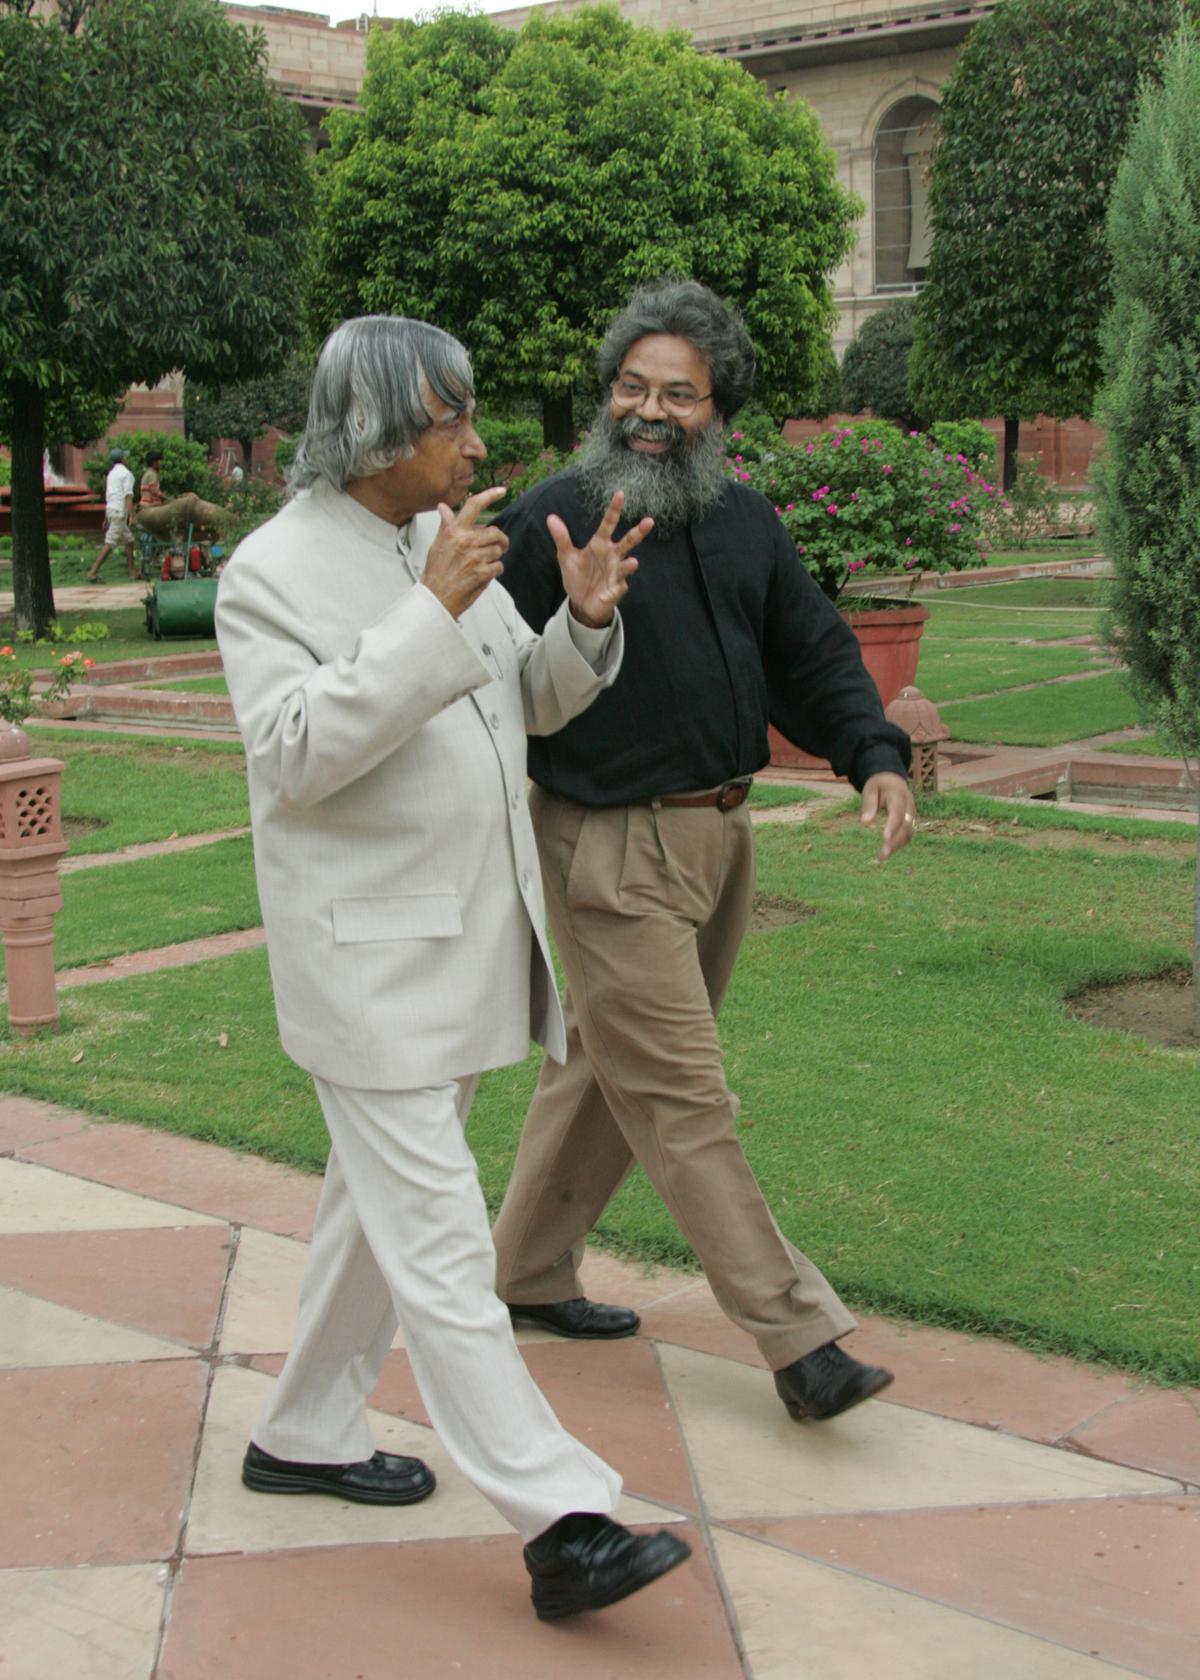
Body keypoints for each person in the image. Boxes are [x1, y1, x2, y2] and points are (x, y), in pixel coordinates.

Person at [214, 314, 690, 1622]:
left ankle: (305, 1431)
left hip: (464, 948)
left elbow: (512, 705)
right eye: (449, 421)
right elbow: (300, 752)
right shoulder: (273, 573)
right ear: (374, 429)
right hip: (366, 972)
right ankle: (563, 1520)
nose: (475, 445)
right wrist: (427, 617)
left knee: (377, 1220)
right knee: (439, 1247)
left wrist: (581, 627)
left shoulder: (437, 543)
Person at [490, 278, 916, 1426]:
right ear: (607, 393)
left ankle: (524, 1272)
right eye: (632, 385)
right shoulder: (551, 522)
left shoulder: (743, 520)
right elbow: (482, 687)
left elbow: (815, 652)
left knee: (602, 1065)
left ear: (716, 407)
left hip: (722, 836)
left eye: (678, 392)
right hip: (606, 847)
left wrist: (874, 753)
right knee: (683, 1096)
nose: (650, 409)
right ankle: (800, 1339)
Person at [87, 447, 136, 581]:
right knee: (110, 543)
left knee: (129, 541)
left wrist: (106, 517)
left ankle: (133, 572)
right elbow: (128, 496)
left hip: (111, 510)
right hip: (120, 513)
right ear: (122, 459)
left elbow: (109, 496)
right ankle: (93, 571)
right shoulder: (127, 474)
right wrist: (132, 515)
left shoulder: (111, 474)